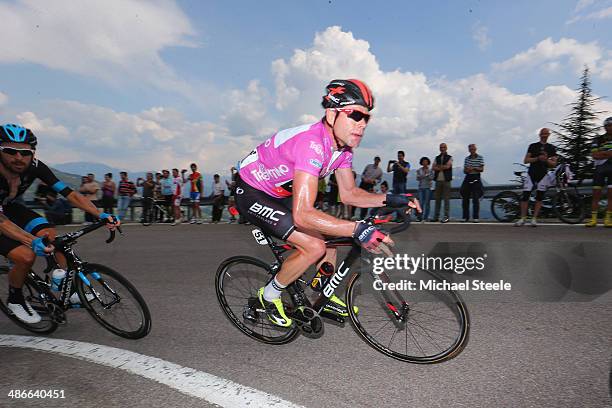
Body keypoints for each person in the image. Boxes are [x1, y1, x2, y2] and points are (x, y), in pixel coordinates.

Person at [234, 79, 420, 327]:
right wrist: (358, 229)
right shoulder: (312, 144)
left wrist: (392, 199)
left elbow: (350, 194)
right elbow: (302, 215)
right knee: (314, 247)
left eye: (366, 118)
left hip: (279, 193)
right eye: (355, 115)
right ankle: (269, 296)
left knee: (331, 234)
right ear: (332, 114)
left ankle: (321, 291)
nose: (362, 124)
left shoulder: (342, 150)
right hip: (251, 190)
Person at [0, 124, 119, 323]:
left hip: (9, 207)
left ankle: (64, 286)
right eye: (10, 151)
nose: (18, 158)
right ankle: (15, 299)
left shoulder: (36, 167)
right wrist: (30, 241)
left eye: (25, 152)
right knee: (26, 255)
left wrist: (99, 213)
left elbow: (70, 194)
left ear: (33, 153)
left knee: (51, 235)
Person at [514, 128, 557, 227]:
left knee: (539, 197)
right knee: (525, 196)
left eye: (546, 134)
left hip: (543, 174)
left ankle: (534, 219)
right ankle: (523, 218)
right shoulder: (533, 146)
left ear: (549, 135)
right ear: (540, 134)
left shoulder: (551, 148)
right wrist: (537, 158)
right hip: (531, 173)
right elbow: (526, 160)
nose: (544, 135)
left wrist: (546, 160)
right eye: (543, 134)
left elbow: (554, 164)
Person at [585, 117, 612, 227]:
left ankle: (608, 219)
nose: (610, 128)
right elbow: (594, 155)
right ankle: (593, 219)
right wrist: (608, 153)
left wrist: (602, 152)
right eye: (608, 126)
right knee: (596, 194)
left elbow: (599, 154)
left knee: (611, 195)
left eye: (611, 125)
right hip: (599, 169)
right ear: (604, 127)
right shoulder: (597, 139)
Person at [460, 144, 484, 222]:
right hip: (468, 177)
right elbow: (465, 170)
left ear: (475, 149)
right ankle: (465, 217)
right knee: (465, 198)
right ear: (469, 150)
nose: (472, 150)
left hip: (476, 177)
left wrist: (473, 168)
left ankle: (475, 217)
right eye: (470, 149)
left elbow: (482, 169)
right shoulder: (467, 159)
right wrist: (469, 170)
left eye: (473, 149)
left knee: (475, 198)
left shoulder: (480, 157)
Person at [432, 143, 453, 223]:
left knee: (446, 199)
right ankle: (436, 216)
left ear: (446, 148)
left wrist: (439, 167)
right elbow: (433, 167)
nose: (442, 148)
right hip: (438, 180)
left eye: (443, 147)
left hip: (446, 180)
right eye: (441, 147)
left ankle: (446, 216)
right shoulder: (437, 157)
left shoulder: (450, 157)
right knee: (437, 199)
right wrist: (442, 167)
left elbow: (448, 166)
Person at [416, 157, 434, 222]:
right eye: (423, 161)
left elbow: (432, 178)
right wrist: (424, 176)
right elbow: (417, 178)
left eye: (426, 161)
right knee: (421, 203)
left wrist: (426, 175)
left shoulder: (430, 170)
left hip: (428, 188)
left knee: (427, 203)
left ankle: (426, 217)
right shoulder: (419, 170)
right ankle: (420, 217)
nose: (425, 163)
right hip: (421, 188)